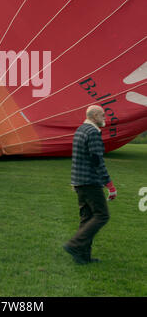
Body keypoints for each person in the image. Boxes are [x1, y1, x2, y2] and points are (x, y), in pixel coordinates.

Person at [63, 105, 117, 264]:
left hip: (78, 181)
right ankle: (74, 244)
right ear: (94, 116)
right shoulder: (93, 133)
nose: (105, 117)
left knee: (87, 218)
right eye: (102, 115)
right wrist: (110, 185)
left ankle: (83, 256)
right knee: (102, 215)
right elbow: (97, 160)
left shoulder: (81, 129)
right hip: (90, 181)